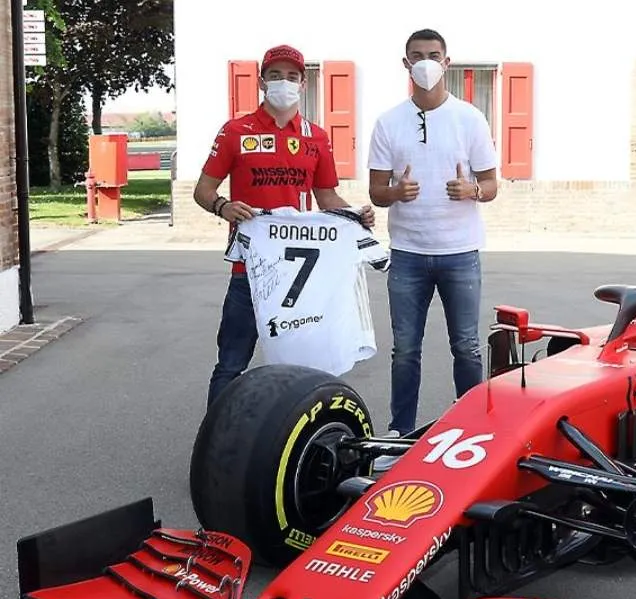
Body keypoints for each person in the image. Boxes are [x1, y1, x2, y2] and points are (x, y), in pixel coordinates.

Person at [193, 44, 375, 408]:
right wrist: (223, 206)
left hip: (301, 277)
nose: (283, 83)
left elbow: (327, 198)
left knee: (303, 366)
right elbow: (203, 190)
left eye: (291, 76)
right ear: (262, 82)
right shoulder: (235, 131)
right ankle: (216, 443)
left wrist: (356, 216)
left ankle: (292, 437)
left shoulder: (316, 136)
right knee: (231, 364)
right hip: (250, 270)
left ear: (303, 85)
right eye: (275, 75)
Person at [367, 28, 499, 460]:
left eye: (433, 55)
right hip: (407, 253)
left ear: (447, 62)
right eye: (416, 56)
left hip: (460, 251)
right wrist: (394, 194)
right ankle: (399, 432)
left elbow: (491, 184)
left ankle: (474, 430)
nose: (425, 62)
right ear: (406, 64)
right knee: (405, 349)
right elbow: (375, 192)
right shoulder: (388, 122)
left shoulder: (470, 118)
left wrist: (472, 191)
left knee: (467, 346)